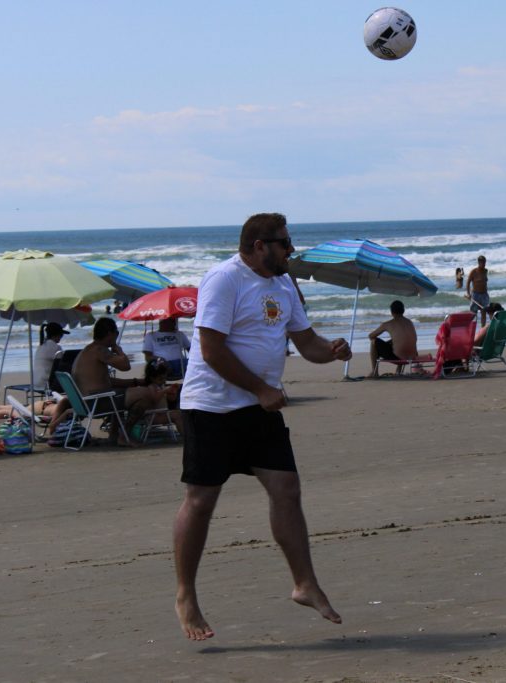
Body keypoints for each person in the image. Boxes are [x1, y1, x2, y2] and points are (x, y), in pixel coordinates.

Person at [173, 212, 351, 641]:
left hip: (258, 406)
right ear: (259, 246)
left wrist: (332, 351)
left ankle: (304, 584)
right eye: (285, 243)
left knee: (286, 488)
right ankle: (186, 595)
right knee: (201, 501)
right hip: (211, 406)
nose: (291, 250)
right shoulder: (224, 279)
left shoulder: (284, 284)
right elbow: (211, 350)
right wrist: (261, 389)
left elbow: (306, 343)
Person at [45, 316, 139, 444]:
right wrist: (119, 351)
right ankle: (124, 436)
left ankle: (114, 435)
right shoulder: (100, 350)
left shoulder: (87, 350)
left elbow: (104, 380)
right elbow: (125, 366)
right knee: (141, 396)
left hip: (85, 401)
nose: (117, 336)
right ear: (109, 333)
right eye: (116, 333)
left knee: (119, 393)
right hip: (95, 403)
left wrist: (135, 382)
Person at [124, 357, 181, 438]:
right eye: (160, 379)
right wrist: (165, 391)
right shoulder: (152, 387)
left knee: (179, 413)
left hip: (161, 413)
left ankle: (186, 435)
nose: (163, 381)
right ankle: (185, 436)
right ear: (152, 378)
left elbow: (171, 400)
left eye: (165, 378)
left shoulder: (161, 386)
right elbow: (154, 399)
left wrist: (172, 393)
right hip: (153, 416)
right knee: (177, 415)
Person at [366, 300, 418, 378]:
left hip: (399, 358)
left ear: (391, 312)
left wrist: (388, 342)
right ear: (403, 310)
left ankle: (374, 372)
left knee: (374, 341)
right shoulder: (409, 322)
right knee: (399, 343)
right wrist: (393, 341)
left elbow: (371, 336)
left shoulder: (387, 324)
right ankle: (398, 371)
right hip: (412, 356)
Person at [34, 322, 69, 390]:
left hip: (36, 383)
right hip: (47, 384)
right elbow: (62, 366)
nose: (61, 337)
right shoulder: (56, 347)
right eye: (61, 335)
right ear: (57, 335)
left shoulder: (41, 346)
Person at [466, 255, 491, 327]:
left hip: (484, 295)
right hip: (475, 295)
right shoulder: (473, 272)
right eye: (483, 263)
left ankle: (482, 329)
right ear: (479, 263)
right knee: (473, 314)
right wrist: (468, 294)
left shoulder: (485, 271)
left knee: (484, 312)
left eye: (485, 262)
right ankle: (472, 329)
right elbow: (468, 282)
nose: (484, 264)